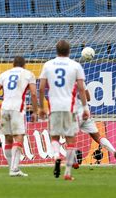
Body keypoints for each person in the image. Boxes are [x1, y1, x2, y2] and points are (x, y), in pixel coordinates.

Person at [38, 40, 89, 181]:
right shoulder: (75, 65)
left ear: (56, 51)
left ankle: (56, 157)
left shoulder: (48, 65)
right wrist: (85, 108)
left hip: (54, 107)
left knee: (54, 137)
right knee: (71, 140)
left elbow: (41, 87)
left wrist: (41, 107)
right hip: (70, 108)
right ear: (69, 51)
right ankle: (67, 173)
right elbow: (81, 89)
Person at [0, 56, 38, 177]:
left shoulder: (4, 74)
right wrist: (35, 111)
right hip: (18, 109)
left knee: (8, 138)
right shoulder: (28, 74)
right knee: (19, 138)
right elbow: (33, 93)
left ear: (13, 64)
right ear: (24, 64)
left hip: (4, 108)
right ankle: (14, 169)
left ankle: (11, 168)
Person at [76, 89, 116, 168]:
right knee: (98, 137)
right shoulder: (81, 82)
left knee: (68, 136)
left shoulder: (66, 82)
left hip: (75, 114)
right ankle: (114, 151)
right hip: (86, 113)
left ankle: (73, 157)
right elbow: (88, 98)